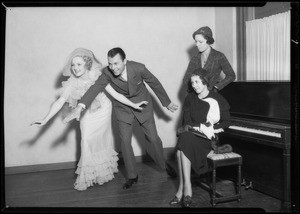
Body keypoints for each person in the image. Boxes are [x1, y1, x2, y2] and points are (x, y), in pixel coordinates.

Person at [31, 48, 147, 191]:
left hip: (103, 110)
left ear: (87, 64)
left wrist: (133, 104)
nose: (75, 68)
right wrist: (45, 119)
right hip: (87, 112)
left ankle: (102, 173)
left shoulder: (98, 76)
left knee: (102, 140)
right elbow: (60, 101)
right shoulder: (72, 82)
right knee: (86, 140)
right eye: (73, 65)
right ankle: (86, 178)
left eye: (79, 64)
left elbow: (115, 94)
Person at [63, 47, 179, 189]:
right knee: (124, 141)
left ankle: (163, 164)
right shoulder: (106, 72)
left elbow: (154, 83)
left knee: (153, 139)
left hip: (143, 105)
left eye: (116, 63)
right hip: (123, 109)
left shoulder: (139, 68)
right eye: (110, 63)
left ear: (124, 60)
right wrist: (80, 107)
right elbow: (95, 88)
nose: (113, 67)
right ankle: (132, 176)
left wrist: (166, 102)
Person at [169, 67, 231, 207]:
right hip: (193, 135)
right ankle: (187, 189)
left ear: (205, 82)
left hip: (209, 138)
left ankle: (182, 189)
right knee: (185, 139)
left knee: (182, 146)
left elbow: (227, 121)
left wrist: (210, 128)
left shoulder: (217, 98)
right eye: (192, 83)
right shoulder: (190, 98)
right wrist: (199, 127)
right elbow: (187, 122)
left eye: (197, 82)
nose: (194, 85)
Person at [182, 26, 236, 94]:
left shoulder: (219, 56)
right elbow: (186, 80)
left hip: (212, 95)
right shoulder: (194, 58)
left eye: (200, 42)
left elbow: (231, 75)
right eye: (196, 41)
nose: (197, 45)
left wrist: (216, 87)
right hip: (196, 96)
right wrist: (193, 92)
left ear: (208, 41)